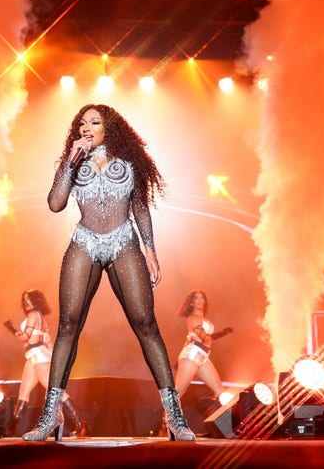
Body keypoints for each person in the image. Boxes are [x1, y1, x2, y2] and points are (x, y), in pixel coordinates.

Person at [23, 104, 195, 441]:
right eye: (82, 123)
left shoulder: (129, 162)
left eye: (94, 122)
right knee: (68, 325)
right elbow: (56, 204)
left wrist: (150, 250)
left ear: (109, 128)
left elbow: (140, 207)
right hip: (85, 241)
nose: (87, 127)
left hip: (123, 241)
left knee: (146, 324)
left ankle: (174, 416)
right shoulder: (74, 161)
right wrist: (71, 161)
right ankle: (51, 415)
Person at [5, 289, 88, 437]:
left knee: (54, 390)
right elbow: (48, 339)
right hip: (34, 356)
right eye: (24, 300)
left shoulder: (32, 315)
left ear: (35, 301)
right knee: (24, 391)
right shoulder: (40, 317)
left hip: (38, 355)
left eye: (28, 299)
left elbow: (25, 337)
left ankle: (81, 423)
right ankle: (11, 427)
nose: (25, 303)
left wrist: (11, 329)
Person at [174, 290, 233, 405]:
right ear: (192, 302)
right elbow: (204, 337)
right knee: (178, 392)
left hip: (203, 356)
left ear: (205, 301)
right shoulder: (193, 318)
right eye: (196, 298)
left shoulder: (203, 320)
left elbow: (207, 337)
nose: (199, 300)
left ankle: (226, 419)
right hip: (191, 355)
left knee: (220, 391)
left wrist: (223, 333)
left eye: (202, 298)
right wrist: (210, 337)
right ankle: (166, 421)